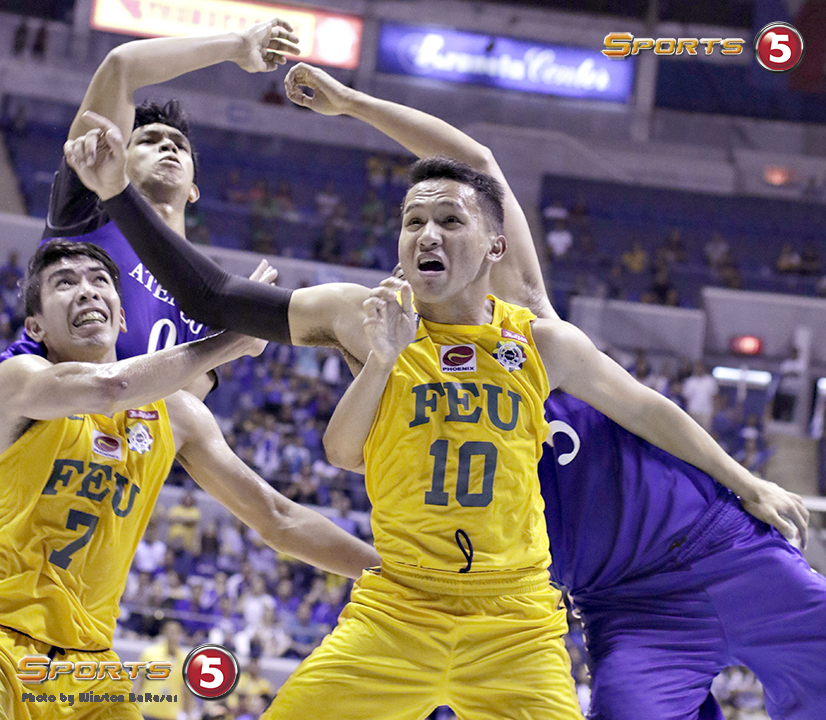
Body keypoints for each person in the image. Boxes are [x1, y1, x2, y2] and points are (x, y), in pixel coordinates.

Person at [66, 68, 814, 719]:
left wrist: (746, 482)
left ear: (495, 246)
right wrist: (117, 197)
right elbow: (218, 297)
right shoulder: (363, 318)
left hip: (540, 611)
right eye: (412, 220)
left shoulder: (540, 332)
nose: (426, 232)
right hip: (425, 607)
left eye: (449, 219)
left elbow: (651, 408)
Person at [0, 241, 380, 720]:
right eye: (65, 283)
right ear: (35, 327)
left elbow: (277, 518)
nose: (86, 291)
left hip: (87, 667)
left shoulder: (177, 415)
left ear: (121, 317)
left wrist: (391, 574)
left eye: (100, 281)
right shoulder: (18, 381)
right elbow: (108, 387)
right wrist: (233, 339)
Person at [0, 15, 300, 398]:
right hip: (37, 437)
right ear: (117, 160)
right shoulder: (87, 214)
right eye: (149, 140)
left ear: (193, 189)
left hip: (117, 454)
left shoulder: (205, 289)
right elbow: (122, 68)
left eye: (179, 144)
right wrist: (237, 46)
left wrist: (236, 333)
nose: (168, 146)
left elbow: (180, 411)